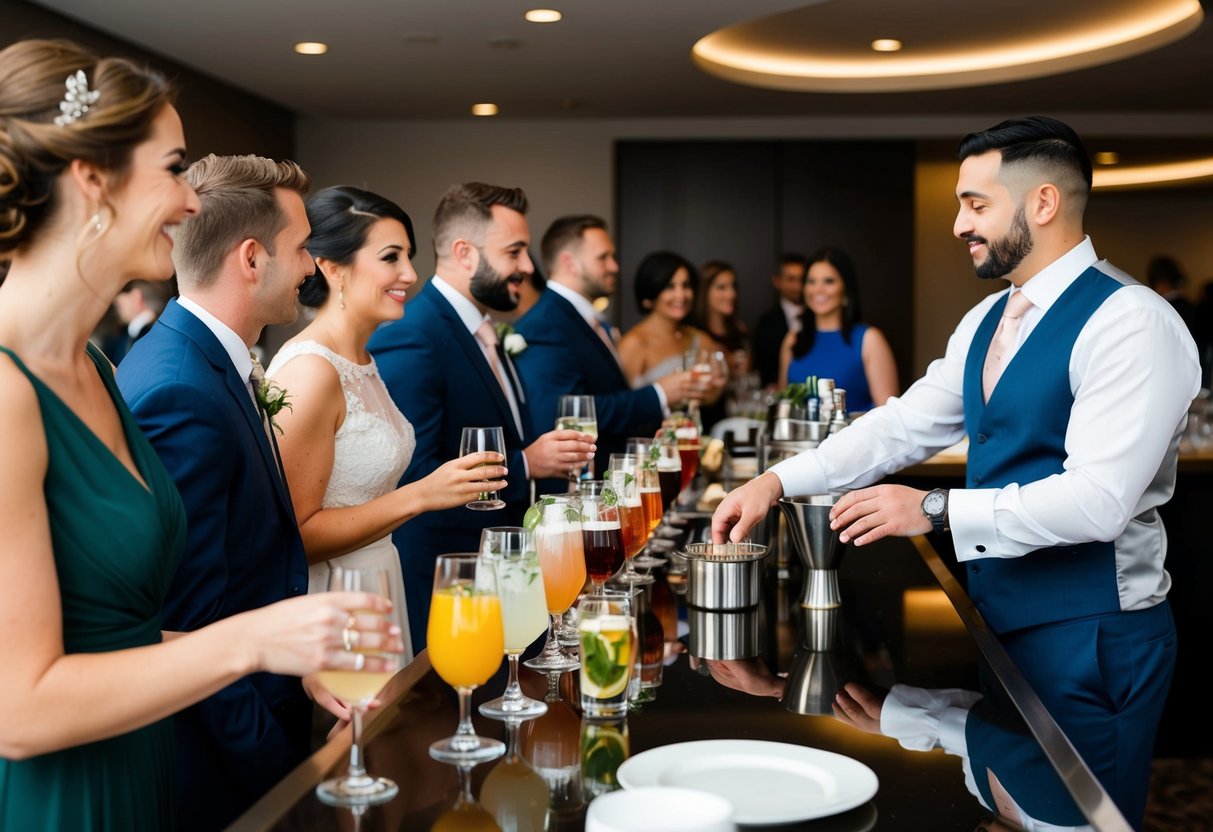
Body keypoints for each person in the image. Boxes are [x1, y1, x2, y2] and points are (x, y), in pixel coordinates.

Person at [713, 115, 1199, 829]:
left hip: (1094, 639)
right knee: (1014, 804)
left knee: (1077, 820)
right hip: (1005, 622)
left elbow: (1097, 504)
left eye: (974, 204)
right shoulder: (986, 321)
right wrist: (776, 481)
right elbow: (901, 425)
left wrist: (933, 510)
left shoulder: (1132, 322)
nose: (957, 225)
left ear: (1041, 203)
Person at [0, 39, 397, 831]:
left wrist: (291, 652)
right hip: (68, 798)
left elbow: (122, 627)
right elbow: (20, 709)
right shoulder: (7, 393)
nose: (190, 203)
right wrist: (254, 641)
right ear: (92, 181)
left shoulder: (99, 370)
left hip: (147, 767)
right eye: (175, 168)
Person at [116, 153, 366, 830]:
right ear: (251, 259)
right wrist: (286, 772)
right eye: (301, 249)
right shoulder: (179, 389)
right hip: (219, 758)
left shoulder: (205, 360)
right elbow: (188, 620)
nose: (312, 267)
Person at [266, 186, 507, 665]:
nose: (410, 274)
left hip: (379, 578)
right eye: (391, 257)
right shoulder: (311, 371)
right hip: (335, 599)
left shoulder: (364, 361)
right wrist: (422, 494)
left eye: (409, 256)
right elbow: (296, 534)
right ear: (331, 267)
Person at [367, 182, 595, 651]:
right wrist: (528, 463)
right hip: (449, 581)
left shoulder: (483, 328)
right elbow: (414, 472)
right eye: (514, 252)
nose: (528, 267)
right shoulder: (414, 335)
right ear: (464, 253)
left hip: (503, 570)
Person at [514, 215, 697, 493]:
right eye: (604, 258)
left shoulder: (588, 319)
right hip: (580, 491)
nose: (615, 266)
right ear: (569, 262)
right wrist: (658, 394)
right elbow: (569, 413)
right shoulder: (545, 324)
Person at [778, 246, 898, 412]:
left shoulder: (869, 339)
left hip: (855, 437)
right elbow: (783, 405)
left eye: (829, 281)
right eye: (811, 281)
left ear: (846, 288)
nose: (818, 289)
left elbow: (888, 415)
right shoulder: (793, 339)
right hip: (799, 437)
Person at [617, 250, 726, 407]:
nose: (681, 295)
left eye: (686, 285)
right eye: (669, 287)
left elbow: (711, 397)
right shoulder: (633, 344)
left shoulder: (700, 339)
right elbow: (625, 406)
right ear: (650, 294)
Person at [753, 252, 807, 388]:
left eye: (802, 279)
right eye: (791, 279)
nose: (798, 286)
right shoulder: (766, 323)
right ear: (777, 281)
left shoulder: (820, 320)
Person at [107, 278, 172, 363]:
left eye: (125, 291)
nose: (117, 299)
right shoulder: (164, 335)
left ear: (136, 297)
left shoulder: (137, 338)